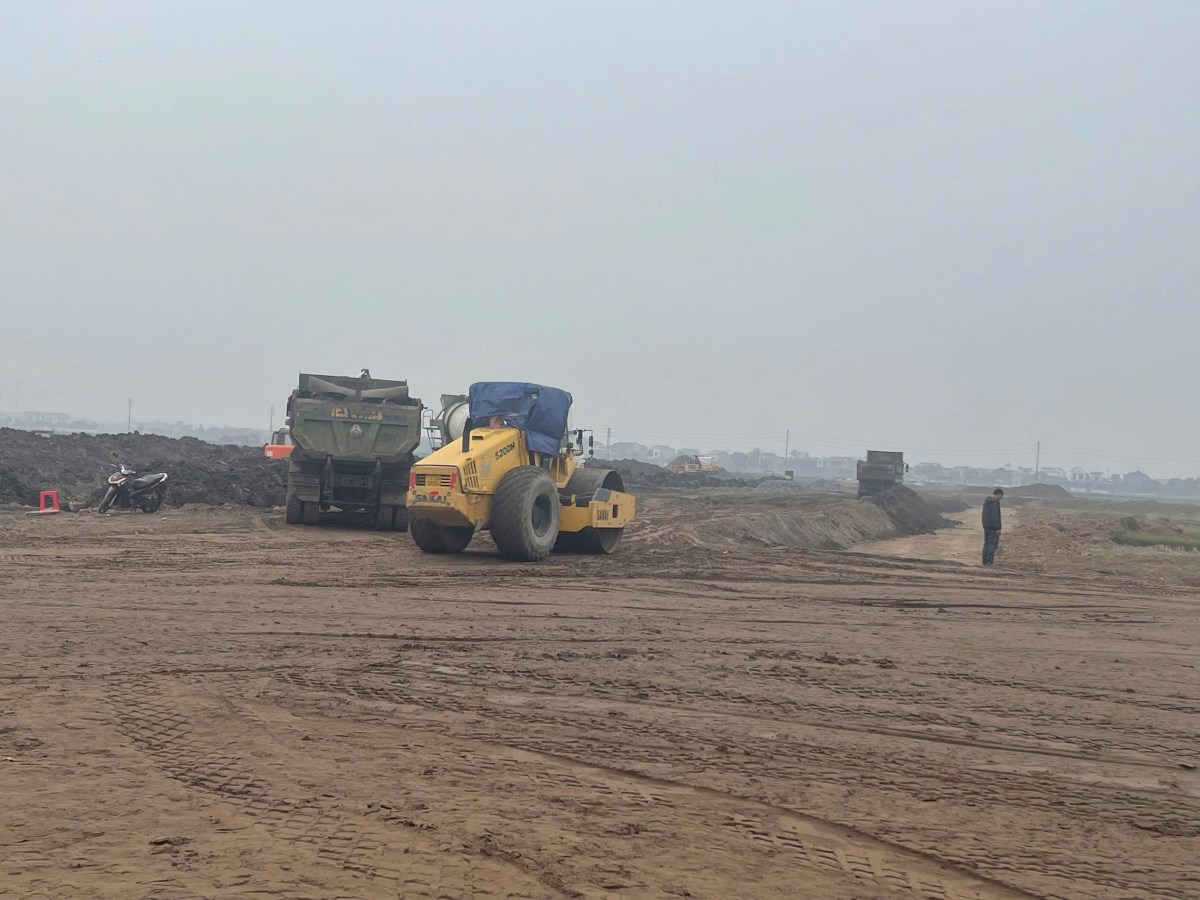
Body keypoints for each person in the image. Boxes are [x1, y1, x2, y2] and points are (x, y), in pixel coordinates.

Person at [982, 488, 1003, 566]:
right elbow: (995, 516)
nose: (1001, 498)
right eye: (1001, 496)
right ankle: (989, 562)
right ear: (999, 494)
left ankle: (985, 562)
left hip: (986, 527)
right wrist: (997, 528)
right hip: (993, 528)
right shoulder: (994, 503)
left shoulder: (987, 502)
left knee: (986, 544)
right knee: (992, 544)